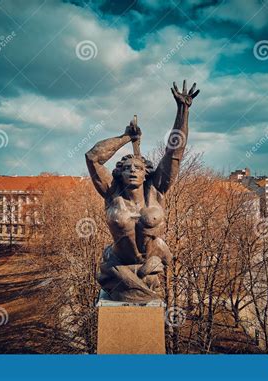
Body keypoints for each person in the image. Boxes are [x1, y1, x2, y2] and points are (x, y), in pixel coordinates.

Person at [85, 80, 200, 302]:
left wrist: (183, 110)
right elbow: (92, 157)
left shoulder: (156, 190)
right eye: (126, 168)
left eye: (137, 168)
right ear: (120, 173)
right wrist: (127, 137)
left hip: (151, 267)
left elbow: (175, 152)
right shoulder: (112, 193)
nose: (132, 171)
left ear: (146, 172)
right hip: (118, 269)